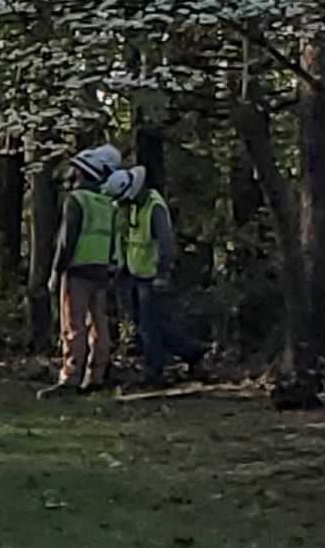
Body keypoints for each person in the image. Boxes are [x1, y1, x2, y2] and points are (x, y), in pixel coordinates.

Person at [39, 148, 130, 397]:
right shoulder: (107, 205)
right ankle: (96, 374)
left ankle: (71, 375)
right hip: (100, 270)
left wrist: (56, 271)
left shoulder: (76, 200)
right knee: (98, 324)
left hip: (77, 269)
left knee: (73, 325)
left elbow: (66, 240)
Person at [123, 164, 202, 385]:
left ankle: (154, 370)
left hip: (152, 275)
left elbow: (166, 244)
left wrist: (162, 272)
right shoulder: (136, 207)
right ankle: (191, 352)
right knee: (153, 325)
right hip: (137, 273)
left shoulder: (155, 208)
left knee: (150, 327)